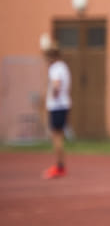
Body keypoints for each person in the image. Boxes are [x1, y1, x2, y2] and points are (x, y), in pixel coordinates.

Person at [43, 43, 71, 179]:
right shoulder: (64, 67)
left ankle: (60, 166)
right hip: (64, 105)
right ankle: (60, 165)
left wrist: (54, 95)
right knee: (59, 135)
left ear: (51, 57)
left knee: (57, 136)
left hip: (57, 106)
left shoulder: (55, 68)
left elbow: (56, 84)